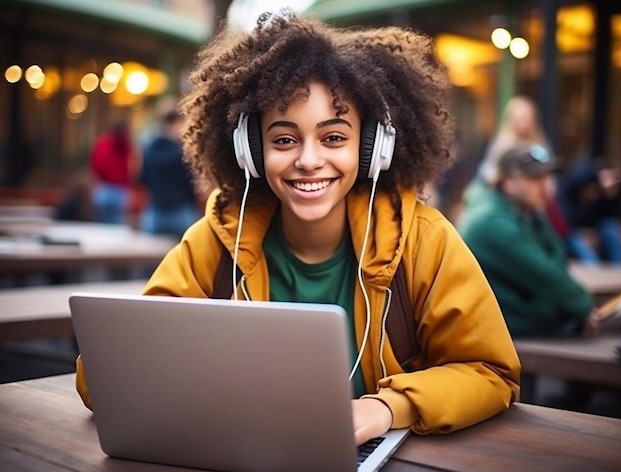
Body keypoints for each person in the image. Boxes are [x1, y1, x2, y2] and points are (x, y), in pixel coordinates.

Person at [76, 10, 520, 444]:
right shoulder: (216, 239)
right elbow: (107, 375)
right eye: (284, 139)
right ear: (251, 150)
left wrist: (387, 408)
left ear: (372, 149)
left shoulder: (424, 240)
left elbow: (490, 371)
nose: (308, 160)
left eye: (334, 137)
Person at [457, 142, 601, 338]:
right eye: (534, 177)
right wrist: (583, 306)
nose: (545, 186)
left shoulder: (527, 211)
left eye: (547, 176)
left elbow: (559, 262)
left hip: (517, 327)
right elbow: (545, 275)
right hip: (494, 336)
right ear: (507, 181)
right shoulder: (490, 220)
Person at [139, 105, 200, 239]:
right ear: (176, 123)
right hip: (181, 211)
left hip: (155, 210)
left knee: (151, 257)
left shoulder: (149, 149)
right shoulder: (181, 151)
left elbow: (143, 179)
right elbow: (190, 181)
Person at [556, 159, 621, 265]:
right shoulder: (569, 190)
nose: (593, 193)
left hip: (594, 228)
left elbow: (612, 216)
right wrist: (597, 177)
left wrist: (611, 195)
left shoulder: (600, 195)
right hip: (572, 230)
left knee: (610, 227)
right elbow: (567, 220)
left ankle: (620, 269)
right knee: (573, 239)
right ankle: (595, 270)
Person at [89, 119, 137, 224]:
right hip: (121, 190)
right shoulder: (127, 145)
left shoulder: (102, 144)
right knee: (117, 226)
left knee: (101, 224)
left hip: (104, 188)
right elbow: (133, 168)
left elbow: (96, 165)